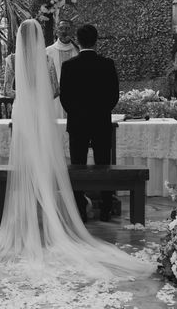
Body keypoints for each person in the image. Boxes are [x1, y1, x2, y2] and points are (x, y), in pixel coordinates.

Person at [0, 19, 152, 281]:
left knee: (54, 160)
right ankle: (99, 206)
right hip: (54, 114)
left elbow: (14, 90)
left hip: (29, 113)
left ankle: (48, 209)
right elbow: (58, 92)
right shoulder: (50, 61)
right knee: (93, 161)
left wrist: (31, 96)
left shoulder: (21, 60)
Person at [60, 24, 118, 222]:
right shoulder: (107, 64)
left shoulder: (69, 66)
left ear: (78, 39)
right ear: (96, 40)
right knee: (104, 165)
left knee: (78, 166)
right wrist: (100, 111)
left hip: (77, 123)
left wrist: (77, 113)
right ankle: (106, 208)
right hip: (101, 122)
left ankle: (80, 210)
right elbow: (114, 96)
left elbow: (65, 98)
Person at [45, 19, 79, 118]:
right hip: (55, 97)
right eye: (61, 28)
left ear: (72, 30)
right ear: (56, 31)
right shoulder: (47, 52)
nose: (64, 31)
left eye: (67, 28)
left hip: (75, 96)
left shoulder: (78, 51)